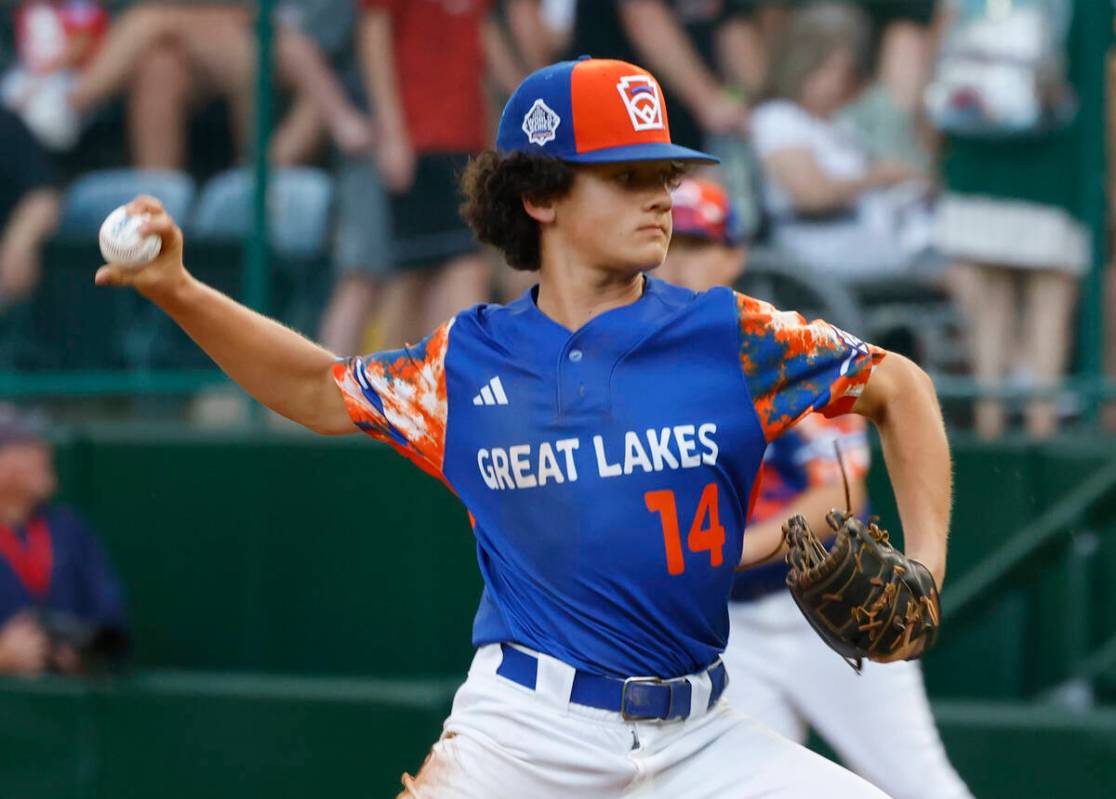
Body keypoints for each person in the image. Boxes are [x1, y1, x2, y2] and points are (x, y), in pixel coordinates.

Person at [94, 56, 951, 798]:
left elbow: (899, 385)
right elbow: (320, 390)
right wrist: (181, 291)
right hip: (528, 730)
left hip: (701, 732)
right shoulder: (466, 362)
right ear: (540, 193)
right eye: (626, 175)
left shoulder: (732, 334)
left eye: (664, 173)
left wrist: (926, 564)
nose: (662, 196)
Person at [657, 175, 972, 798]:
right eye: (674, 240)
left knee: (925, 788)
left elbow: (838, 498)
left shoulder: (778, 348)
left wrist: (727, 550)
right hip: (726, 628)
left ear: (734, 254)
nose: (682, 259)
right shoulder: (641, 366)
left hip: (823, 611)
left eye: (699, 242)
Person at [751, 2, 935, 281]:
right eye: (835, 70)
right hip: (818, 243)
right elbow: (811, 196)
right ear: (806, 67)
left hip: (869, 231)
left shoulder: (839, 122)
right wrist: (880, 177)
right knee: (950, 264)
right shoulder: (777, 118)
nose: (842, 82)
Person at [0, 404, 128, 676]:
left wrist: (81, 650)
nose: (44, 453)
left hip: (66, 708)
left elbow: (111, 621)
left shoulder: (69, 529)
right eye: (27, 445)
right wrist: (4, 656)